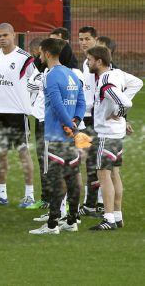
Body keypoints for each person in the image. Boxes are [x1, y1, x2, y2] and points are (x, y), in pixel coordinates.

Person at [29, 38, 86, 235]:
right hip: (71, 135)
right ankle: (71, 220)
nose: (39, 56)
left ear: (46, 53)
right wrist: (75, 122)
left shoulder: (51, 75)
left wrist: (68, 124)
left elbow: (56, 103)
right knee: (72, 177)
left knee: (55, 180)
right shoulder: (71, 73)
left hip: (55, 135)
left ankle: (52, 224)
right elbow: (81, 102)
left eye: (40, 52)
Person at [86, 46, 142, 230]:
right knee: (115, 174)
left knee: (104, 175)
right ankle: (117, 216)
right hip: (117, 133)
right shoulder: (116, 73)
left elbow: (125, 102)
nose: (87, 62)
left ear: (99, 61)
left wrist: (119, 110)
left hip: (106, 134)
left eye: (90, 59)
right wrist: (120, 111)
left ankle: (108, 219)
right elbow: (137, 83)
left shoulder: (105, 82)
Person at [0, 23, 36, 208]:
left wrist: (29, 103)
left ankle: (29, 195)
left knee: (23, 152)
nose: (2, 39)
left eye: (5, 35)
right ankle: (1, 194)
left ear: (14, 35)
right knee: (0, 153)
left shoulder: (24, 58)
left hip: (17, 113)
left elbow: (36, 81)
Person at [77, 26, 102, 217]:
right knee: (85, 160)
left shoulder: (99, 65)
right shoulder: (85, 63)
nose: (83, 42)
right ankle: (92, 203)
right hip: (83, 121)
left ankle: (94, 204)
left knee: (94, 162)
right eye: (80, 39)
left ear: (95, 39)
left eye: (87, 39)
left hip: (94, 120)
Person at [25, 38, 51, 210]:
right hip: (39, 118)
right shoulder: (39, 69)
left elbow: (32, 86)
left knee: (49, 161)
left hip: (48, 121)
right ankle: (46, 198)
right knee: (43, 159)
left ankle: (54, 201)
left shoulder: (47, 72)